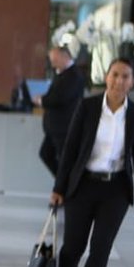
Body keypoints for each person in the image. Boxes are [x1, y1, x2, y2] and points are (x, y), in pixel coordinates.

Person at [51, 57, 134, 267]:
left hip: (116, 189)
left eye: (126, 76)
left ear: (132, 82)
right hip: (83, 186)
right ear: (106, 77)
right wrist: (59, 188)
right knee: (73, 245)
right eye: (115, 74)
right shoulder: (88, 107)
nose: (120, 81)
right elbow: (70, 149)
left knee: (101, 248)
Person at [37, 45, 85, 176]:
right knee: (46, 154)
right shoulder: (62, 74)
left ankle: (65, 186)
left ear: (65, 56)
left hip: (64, 128)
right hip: (54, 129)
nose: (53, 63)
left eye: (55, 59)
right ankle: (63, 184)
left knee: (65, 161)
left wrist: (42, 100)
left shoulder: (74, 75)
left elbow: (60, 97)